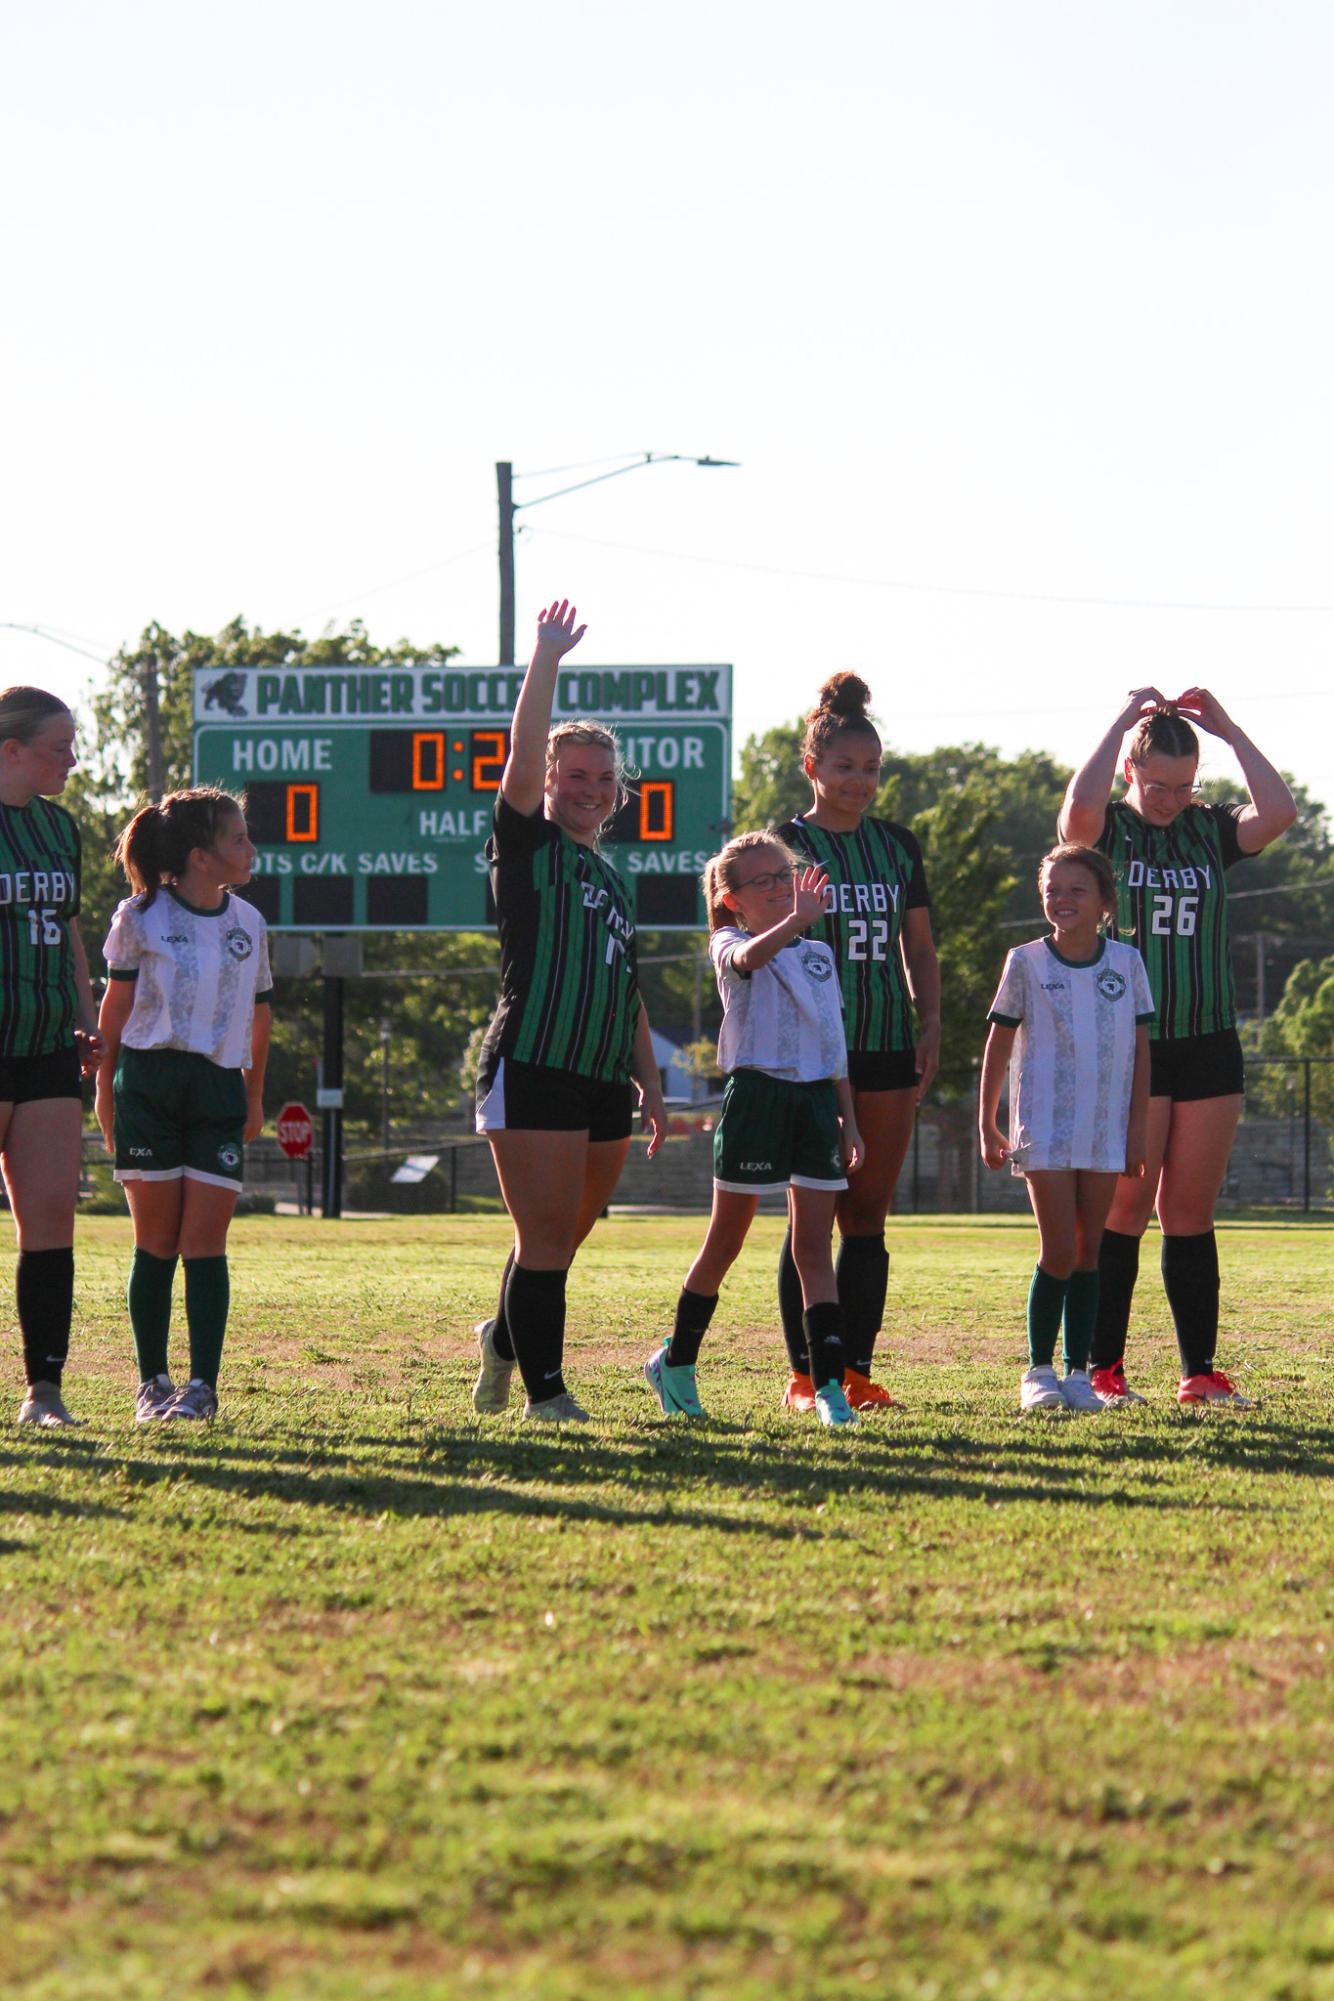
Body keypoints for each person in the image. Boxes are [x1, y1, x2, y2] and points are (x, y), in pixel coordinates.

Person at [1059, 689, 1296, 1406]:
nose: (1168, 798)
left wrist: (1225, 729)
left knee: (1190, 1211)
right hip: (1135, 1041)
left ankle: (1198, 1371)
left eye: (1183, 785)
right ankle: (1105, 1368)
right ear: (1131, 771)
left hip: (1209, 1041)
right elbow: (1075, 817)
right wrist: (1116, 724)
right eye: (1156, 784)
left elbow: (1279, 813)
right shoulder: (1116, 832)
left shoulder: (1207, 830)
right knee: (1124, 1207)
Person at [472, 600, 666, 1424]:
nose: (588, 788)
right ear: (549, 782)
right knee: (546, 1237)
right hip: (534, 1060)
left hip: (600, 1079)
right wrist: (545, 660)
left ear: (618, 792)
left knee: (559, 1240)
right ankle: (546, 1395)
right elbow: (520, 751)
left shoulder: (616, 879)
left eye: (601, 778)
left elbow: (628, 996)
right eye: (573, 775)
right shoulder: (529, 845)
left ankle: (504, 1342)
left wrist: (652, 1086)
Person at [644, 832, 864, 1426]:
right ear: (732, 899)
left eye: (783, 874)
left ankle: (827, 1387)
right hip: (757, 1098)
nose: (777, 886)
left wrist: (849, 1118)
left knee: (814, 1248)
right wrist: (793, 920)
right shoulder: (729, 940)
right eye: (761, 881)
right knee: (727, 1240)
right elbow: (748, 961)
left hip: (816, 1102)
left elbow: (834, 1042)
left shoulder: (817, 953)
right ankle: (677, 1363)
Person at [775, 673, 939, 1411]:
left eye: (871, 769)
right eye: (845, 767)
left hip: (883, 1047)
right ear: (813, 767)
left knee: (867, 1217)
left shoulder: (897, 846)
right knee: (810, 1218)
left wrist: (929, 1022)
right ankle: (808, 1376)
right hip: (808, 1053)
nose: (860, 781)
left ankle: (857, 1370)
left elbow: (922, 950)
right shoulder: (784, 844)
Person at [94, 787, 271, 1422]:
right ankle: (152, 1384)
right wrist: (104, 1089)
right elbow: (114, 1013)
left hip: (218, 1088)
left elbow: (259, 1016)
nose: (250, 849)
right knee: (157, 1242)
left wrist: (252, 1096)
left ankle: (202, 1388)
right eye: (238, 839)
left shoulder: (249, 924)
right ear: (200, 856)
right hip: (149, 1085)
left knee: (205, 1242)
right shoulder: (140, 916)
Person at [979, 845, 1153, 1411]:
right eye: (1053, 888)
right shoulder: (1025, 961)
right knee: (1057, 1249)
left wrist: (1134, 1129)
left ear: (1104, 900)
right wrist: (988, 1122)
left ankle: (1080, 1376)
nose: (1062, 898)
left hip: (1103, 1131)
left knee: (1089, 1251)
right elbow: (999, 1043)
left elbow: (1142, 1052)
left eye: (1077, 889)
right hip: (1046, 1129)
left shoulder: (1127, 964)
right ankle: (1038, 1372)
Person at [0, 687, 103, 1426]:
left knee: (50, 1222)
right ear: (12, 749)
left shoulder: (60, 828)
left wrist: (88, 1010)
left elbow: (68, 929)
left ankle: (45, 1391)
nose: (71, 757)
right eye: (58, 745)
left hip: (45, 1047)